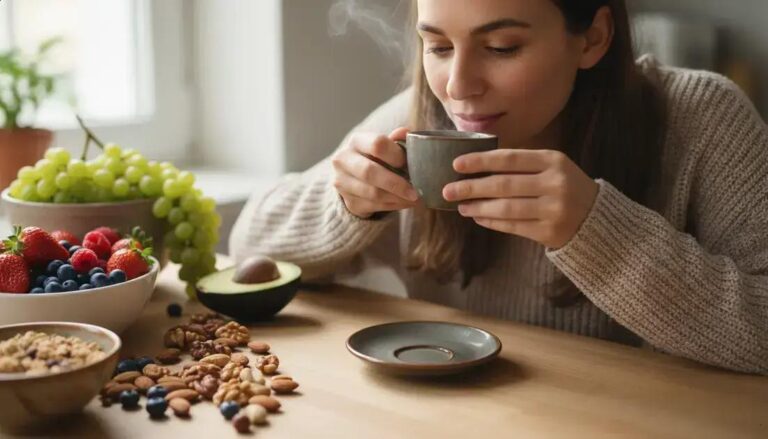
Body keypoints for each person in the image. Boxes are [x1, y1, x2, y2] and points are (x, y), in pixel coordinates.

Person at [230, 0, 768, 374]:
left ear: (594, 38)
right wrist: (343, 204)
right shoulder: (427, 122)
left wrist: (600, 232)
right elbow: (249, 250)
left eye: (503, 47)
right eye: (437, 46)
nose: (460, 88)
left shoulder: (702, 119)